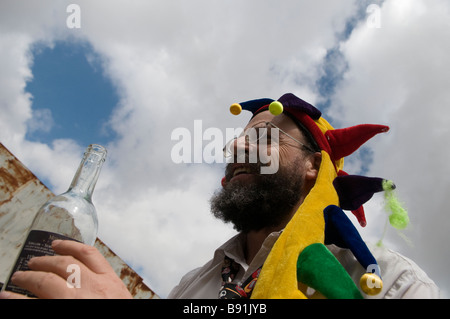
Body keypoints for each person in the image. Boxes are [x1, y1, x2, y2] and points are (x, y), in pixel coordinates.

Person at [0, 93, 440, 299]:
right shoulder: (193, 287)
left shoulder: (390, 283)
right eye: (236, 140)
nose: (235, 148)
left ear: (315, 166)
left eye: (264, 138)